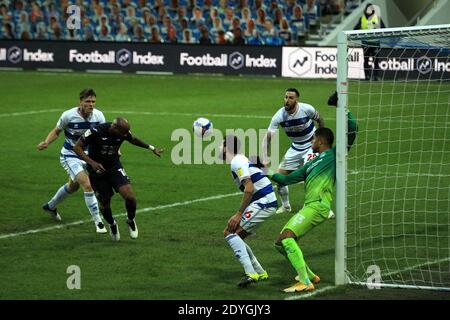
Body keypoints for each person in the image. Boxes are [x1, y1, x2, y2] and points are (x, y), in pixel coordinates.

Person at [269, 92, 358, 293]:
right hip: (309, 206)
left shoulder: (335, 155)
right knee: (279, 243)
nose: (311, 143)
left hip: (318, 206)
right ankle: (309, 275)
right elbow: (285, 179)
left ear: (320, 141)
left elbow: (353, 129)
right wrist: (265, 170)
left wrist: (343, 107)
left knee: (286, 239)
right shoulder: (311, 163)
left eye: (313, 141)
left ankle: (304, 282)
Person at [74, 117, 163, 241]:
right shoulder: (95, 131)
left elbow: (133, 139)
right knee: (105, 203)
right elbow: (77, 147)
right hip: (97, 170)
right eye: (123, 133)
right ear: (114, 128)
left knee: (130, 197)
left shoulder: (123, 132)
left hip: (114, 167)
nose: (125, 135)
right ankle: (112, 224)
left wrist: (152, 148)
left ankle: (130, 220)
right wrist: (92, 163)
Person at [37, 89, 107, 233]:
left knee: (72, 187)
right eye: (87, 101)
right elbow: (57, 131)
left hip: (88, 156)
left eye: (93, 101)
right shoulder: (68, 115)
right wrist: (46, 142)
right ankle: (98, 222)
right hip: (70, 155)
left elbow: (104, 135)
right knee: (87, 185)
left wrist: (115, 148)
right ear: (80, 102)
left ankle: (50, 206)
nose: (91, 104)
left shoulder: (99, 116)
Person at [221, 135, 278, 288]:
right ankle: (259, 272)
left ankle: (251, 273)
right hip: (263, 201)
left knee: (232, 234)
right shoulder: (241, 159)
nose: (219, 149)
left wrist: (239, 213)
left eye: (221, 145)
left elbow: (249, 188)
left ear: (227, 148)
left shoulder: (236, 161)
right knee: (232, 233)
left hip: (264, 202)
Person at [262, 88, 325, 214]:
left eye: (291, 98)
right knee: (280, 176)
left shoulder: (306, 109)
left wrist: (321, 140)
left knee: (313, 176)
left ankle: (323, 208)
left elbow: (320, 120)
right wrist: (265, 157)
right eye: (286, 97)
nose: (287, 100)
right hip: (295, 147)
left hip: (311, 145)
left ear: (297, 100)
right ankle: (285, 206)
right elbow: (268, 137)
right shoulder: (279, 116)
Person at [354, 3, 386, 80]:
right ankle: (367, 76)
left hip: (375, 43)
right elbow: (355, 29)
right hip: (365, 43)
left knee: (376, 60)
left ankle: (376, 76)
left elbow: (384, 28)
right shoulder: (362, 19)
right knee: (366, 60)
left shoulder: (377, 19)